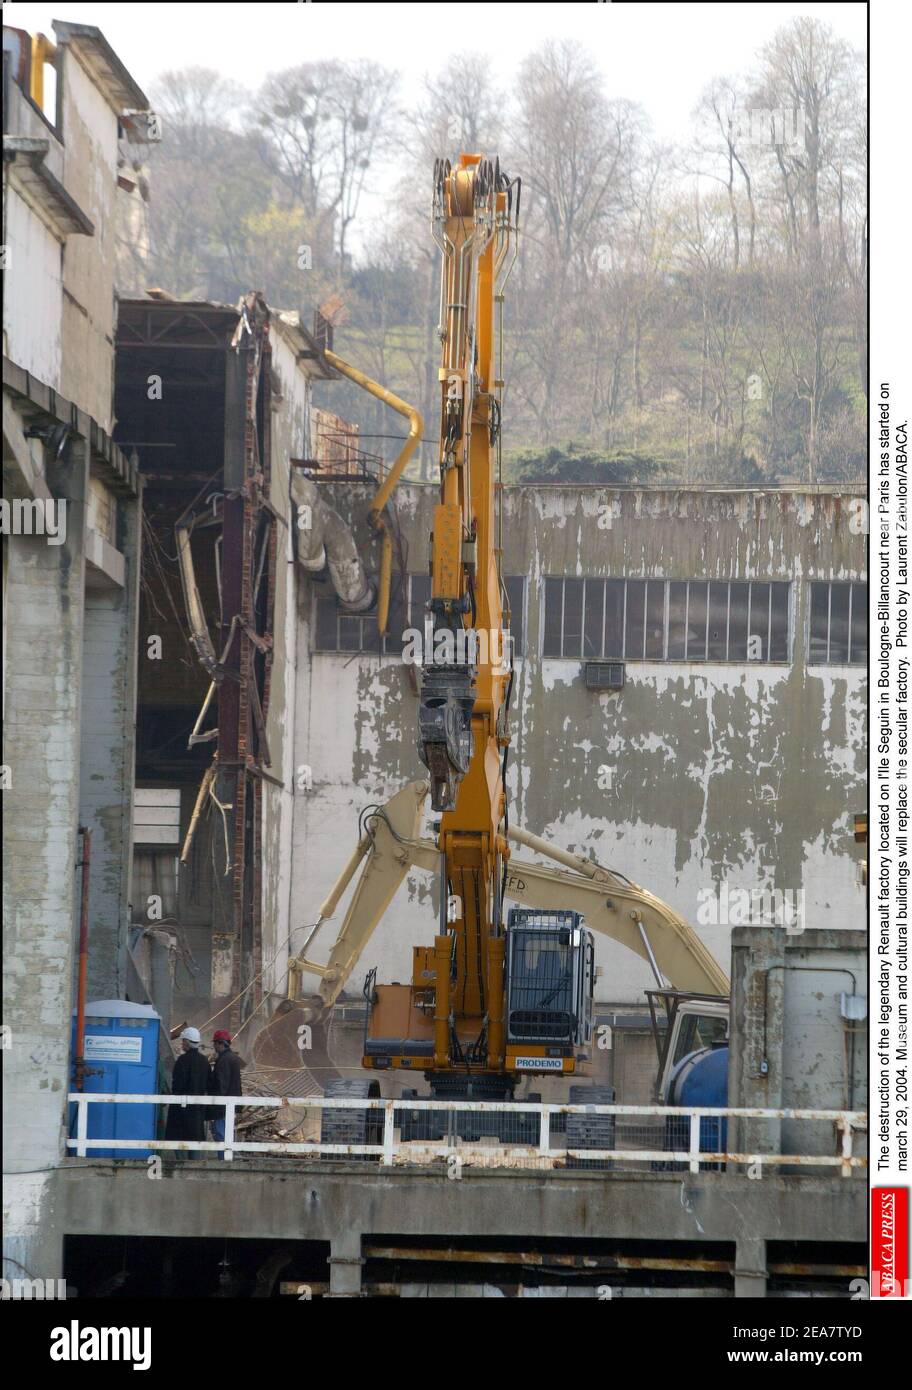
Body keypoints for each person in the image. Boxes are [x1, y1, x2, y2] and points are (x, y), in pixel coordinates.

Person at [165, 1027, 210, 1158]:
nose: (182, 1043)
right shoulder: (204, 1061)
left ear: (187, 1042)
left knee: (177, 1138)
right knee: (194, 1140)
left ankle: (181, 1164)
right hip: (197, 1110)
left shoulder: (182, 1061)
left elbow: (177, 1084)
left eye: (183, 1041)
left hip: (181, 1110)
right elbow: (209, 1083)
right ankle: (192, 1166)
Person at [207, 1029, 243, 1156]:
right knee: (226, 1135)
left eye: (215, 1043)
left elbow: (222, 1086)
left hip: (222, 1107)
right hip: (231, 1106)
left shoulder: (224, 1060)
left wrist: (214, 1104)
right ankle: (230, 1158)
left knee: (220, 1134)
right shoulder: (232, 1058)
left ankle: (227, 1161)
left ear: (220, 1043)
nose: (214, 1046)